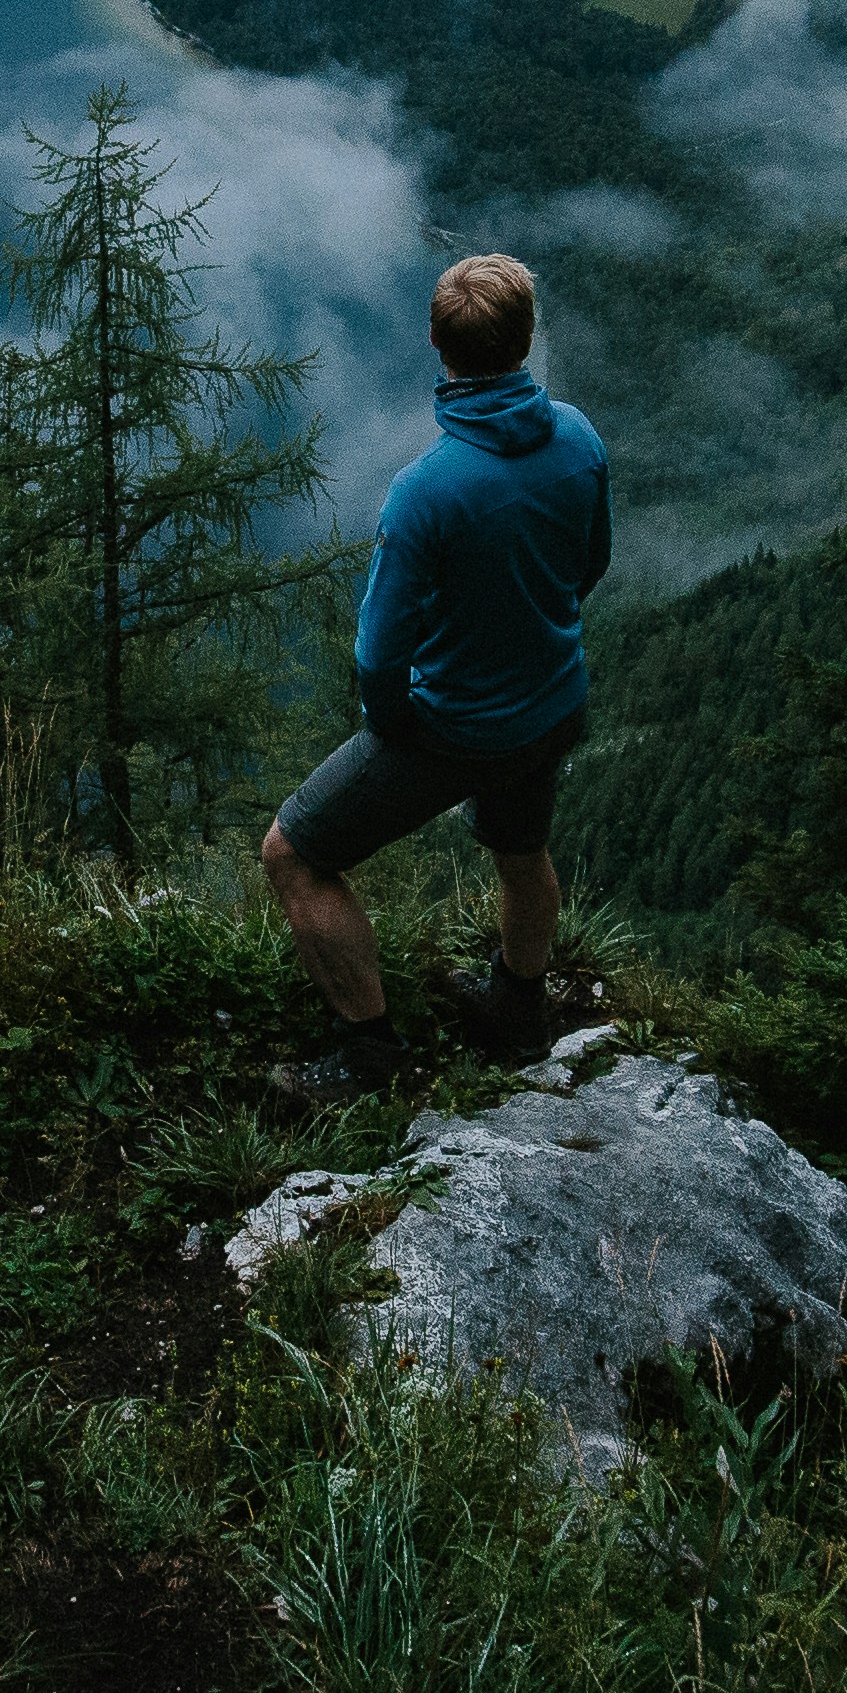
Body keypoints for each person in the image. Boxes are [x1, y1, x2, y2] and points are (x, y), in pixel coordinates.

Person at [259, 250, 608, 1103]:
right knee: (522, 851)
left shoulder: (426, 491)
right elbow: (588, 566)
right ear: (527, 337)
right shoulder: (579, 439)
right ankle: (518, 1012)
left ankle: (370, 1056)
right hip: (552, 701)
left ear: (435, 344)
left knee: (294, 853)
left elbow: (380, 654)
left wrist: (394, 726)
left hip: (454, 727)